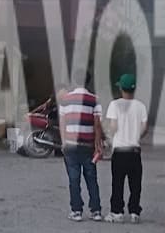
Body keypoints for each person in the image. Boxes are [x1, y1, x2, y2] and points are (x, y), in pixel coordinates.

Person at [58, 74, 104, 222]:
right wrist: (98, 144)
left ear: (75, 81)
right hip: (87, 145)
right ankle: (96, 211)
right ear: (89, 81)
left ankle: (76, 211)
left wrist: (64, 142)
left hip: (70, 145)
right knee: (91, 178)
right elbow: (97, 124)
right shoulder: (94, 100)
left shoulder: (65, 100)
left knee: (73, 178)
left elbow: (63, 123)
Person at [105, 72, 148, 222]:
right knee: (135, 183)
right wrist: (136, 136)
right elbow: (144, 127)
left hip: (120, 150)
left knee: (118, 182)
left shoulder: (114, 105)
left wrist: (110, 139)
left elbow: (113, 126)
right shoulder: (141, 106)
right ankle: (134, 211)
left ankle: (117, 212)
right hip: (134, 150)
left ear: (121, 89)